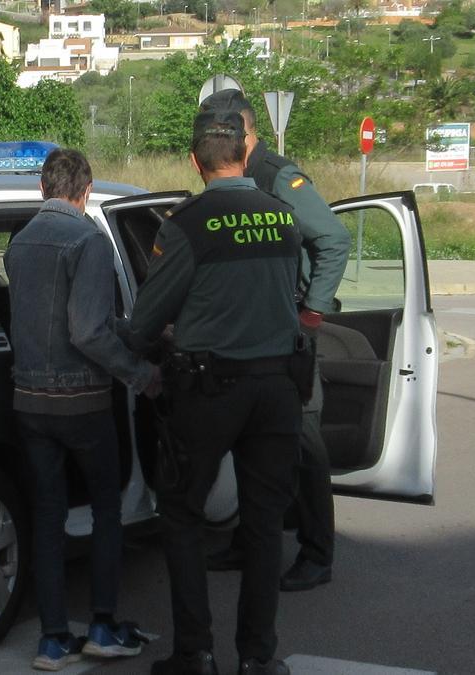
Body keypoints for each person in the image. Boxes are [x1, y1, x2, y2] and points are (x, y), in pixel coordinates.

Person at [126, 109, 305, 675]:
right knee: (262, 521)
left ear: (195, 162)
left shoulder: (188, 223)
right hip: (276, 388)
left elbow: (143, 322)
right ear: (246, 156)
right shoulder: (284, 217)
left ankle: (194, 653)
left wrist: (158, 333)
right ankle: (258, 657)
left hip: (208, 391)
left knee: (181, 514)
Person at [5, 148, 161, 671]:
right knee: (107, 509)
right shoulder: (89, 241)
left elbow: (44, 322)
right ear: (86, 189)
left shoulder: (18, 245)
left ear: (43, 189)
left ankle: (52, 639)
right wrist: (141, 373)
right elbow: (86, 330)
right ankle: (101, 626)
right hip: (83, 403)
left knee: (47, 516)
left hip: (29, 402)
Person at [199, 89, 351, 593]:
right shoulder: (244, 175)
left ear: (243, 130)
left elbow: (332, 239)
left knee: (305, 444)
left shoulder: (278, 176)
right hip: (261, 328)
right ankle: (250, 540)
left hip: (292, 329)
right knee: (255, 442)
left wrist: (312, 314)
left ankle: (316, 552)